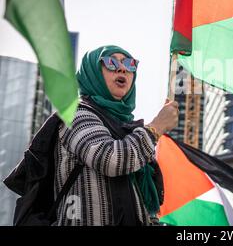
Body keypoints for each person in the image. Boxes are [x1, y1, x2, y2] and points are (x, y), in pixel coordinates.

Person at [54, 45, 179, 225]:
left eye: (129, 64)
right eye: (111, 63)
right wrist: (156, 128)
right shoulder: (76, 115)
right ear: (92, 72)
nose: (122, 68)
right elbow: (110, 159)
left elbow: (141, 204)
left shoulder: (128, 129)